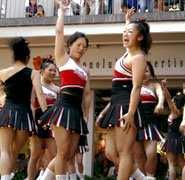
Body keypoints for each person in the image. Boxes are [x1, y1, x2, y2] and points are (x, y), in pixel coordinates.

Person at [96, 7, 152, 180]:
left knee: (125, 152)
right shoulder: (129, 52)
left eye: (129, 33)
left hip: (127, 106)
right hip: (116, 104)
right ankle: (142, 178)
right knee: (111, 153)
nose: (125, 35)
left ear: (140, 37)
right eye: (124, 32)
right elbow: (129, 35)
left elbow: (136, 87)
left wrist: (131, 113)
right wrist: (128, 21)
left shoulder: (139, 57)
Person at [39, 0, 91, 179]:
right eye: (79, 45)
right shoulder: (63, 59)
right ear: (70, 45)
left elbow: (87, 94)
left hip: (77, 111)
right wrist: (62, 11)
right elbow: (59, 32)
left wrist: (85, 115)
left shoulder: (85, 71)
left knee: (69, 154)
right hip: (63, 107)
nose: (82, 49)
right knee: (62, 153)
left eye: (84, 46)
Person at [0, 37, 47, 180]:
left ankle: (5, 178)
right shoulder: (33, 73)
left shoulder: (3, 72)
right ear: (27, 56)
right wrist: (46, 116)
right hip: (24, 114)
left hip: (7, 112)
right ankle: (7, 176)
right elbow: (40, 94)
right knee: (15, 151)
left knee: (4, 151)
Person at [28, 58, 59, 180]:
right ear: (42, 70)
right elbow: (31, 103)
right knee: (35, 156)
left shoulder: (57, 89)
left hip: (51, 123)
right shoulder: (35, 85)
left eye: (54, 71)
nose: (52, 73)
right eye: (50, 70)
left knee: (54, 156)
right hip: (38, 121)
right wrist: (33, 123)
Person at [133, 61, 164, 179]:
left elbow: (160, 95)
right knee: (138, 156)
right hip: (135, 122)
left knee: (151, 155)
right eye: (141, 71)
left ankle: (150, 176)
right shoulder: (133, 85)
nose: (144, 74)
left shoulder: (155, 85)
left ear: (151, 73)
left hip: (150, 121)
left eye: (146, 71)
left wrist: (160, 104)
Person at [161, 79, 185, 180]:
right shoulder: (183, 111)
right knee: (182, 163)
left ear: (175, 102)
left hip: (172, 139)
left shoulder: (175, 111)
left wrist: (164, 87)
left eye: (174, 99)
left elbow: (167, 98)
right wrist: (184, 90)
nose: (172, 100)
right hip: (180, 140)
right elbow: (184, 99)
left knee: (171, 164)